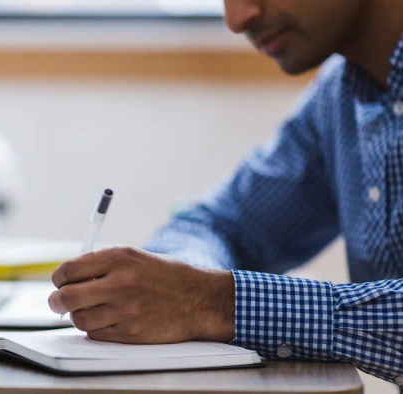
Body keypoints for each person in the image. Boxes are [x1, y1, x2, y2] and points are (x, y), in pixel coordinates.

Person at [47, 0, 403, 385]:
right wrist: (177, 285)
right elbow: (221, 224)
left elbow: (210, 293)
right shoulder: (340, 94)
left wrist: (214, 302)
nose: (236, 20)